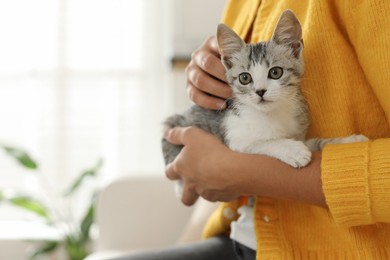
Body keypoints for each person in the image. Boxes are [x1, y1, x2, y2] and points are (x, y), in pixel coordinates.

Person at [115, 0, 390, 259]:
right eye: (247, 79)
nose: (259, 90)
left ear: (295, 50)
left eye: (273, 74)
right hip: (241, 232)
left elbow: (257, 159)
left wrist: (240, 172)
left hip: (334, 247)